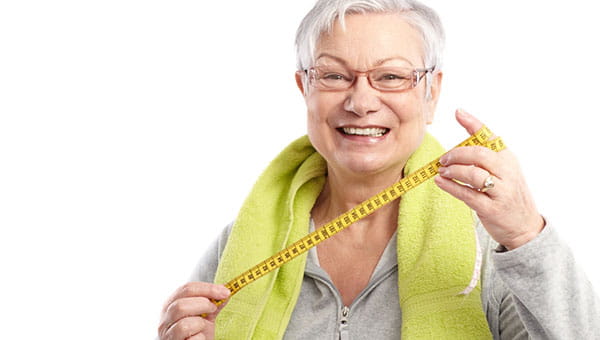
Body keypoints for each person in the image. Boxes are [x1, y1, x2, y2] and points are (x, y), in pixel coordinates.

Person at [157, 0, 600, 339]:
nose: (362, 101)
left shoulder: (492, 248)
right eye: (333, 76)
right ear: (304, 88)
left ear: (431, 93)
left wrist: (527, 236)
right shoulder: (240, 246)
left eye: (391, 77)